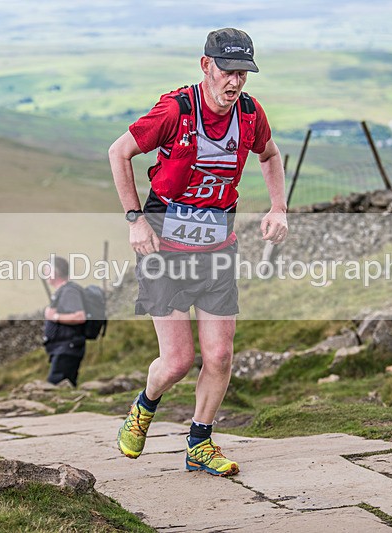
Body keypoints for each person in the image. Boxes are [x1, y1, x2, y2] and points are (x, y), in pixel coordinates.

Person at [108, 28, 288, 477]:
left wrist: (278, 207)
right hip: (164, 247)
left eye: (243, 73)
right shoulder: (176, 109)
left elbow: (269, 155)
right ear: (205, 65)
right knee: (177, 362)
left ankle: (199, 443)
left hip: (218, 249)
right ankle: (145, 405)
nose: (236, 82)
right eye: (228, 71)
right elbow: (119, 151)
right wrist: (135, 219)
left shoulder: (249, 114)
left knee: (221, 355)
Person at [43, 255, 87, 387]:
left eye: (46, 270)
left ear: (54, 272)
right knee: (61, 385)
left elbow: (80, 316)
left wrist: (54, 317)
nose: (44, 274)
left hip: (68, 348)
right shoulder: (64, 291)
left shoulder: (69, 291)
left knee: (56, 386)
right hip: (63, 348)